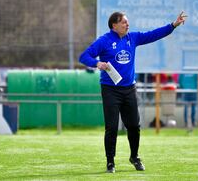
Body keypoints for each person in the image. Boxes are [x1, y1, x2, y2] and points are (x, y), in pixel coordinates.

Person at [79, 11, 187, 173]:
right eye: (123, 22)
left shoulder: (133, 38)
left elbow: (154, 35)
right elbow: (83, 56)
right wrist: (97, 63)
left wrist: (173, 25)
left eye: (127, 22)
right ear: (114, 25)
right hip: (110, 90)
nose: (127, 25)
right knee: (112, 127)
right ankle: (110, 162)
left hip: (129, 89)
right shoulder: (104, 41)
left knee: (134, 126)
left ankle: (134, 157)